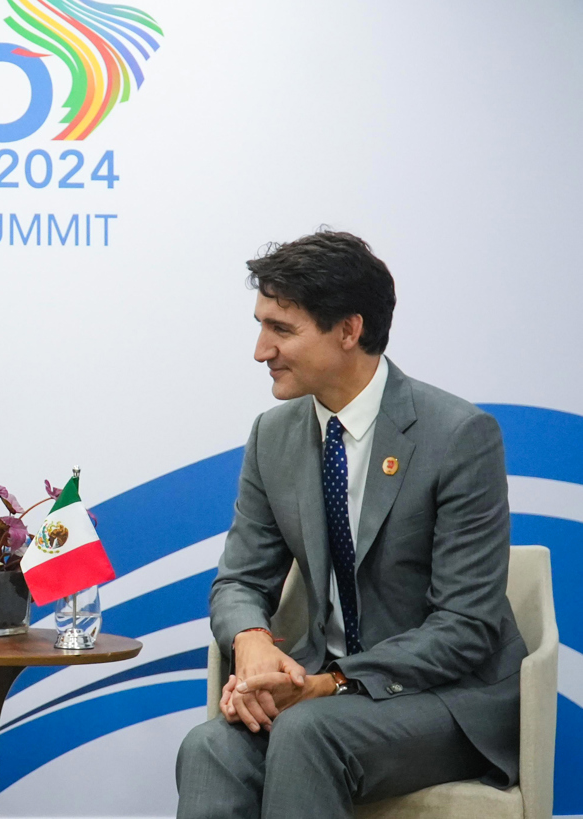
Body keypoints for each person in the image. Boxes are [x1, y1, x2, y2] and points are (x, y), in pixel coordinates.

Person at [175, 231, 527, 818]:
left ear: (348, 330)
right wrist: (253, 643)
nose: (261, 350)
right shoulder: (274, 435)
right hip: (324, 697)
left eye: (281, 329)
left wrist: (331, 683)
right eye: (260, 325)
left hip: (446, 699)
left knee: (309, 732)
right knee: (209, 745)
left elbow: (466, 626)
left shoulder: (460, 436)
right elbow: (239, 581)